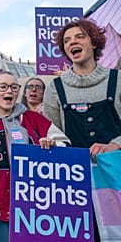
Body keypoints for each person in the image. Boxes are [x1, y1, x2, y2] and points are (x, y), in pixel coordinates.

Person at [0, 71, 70, 242]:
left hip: (40, 208)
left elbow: (65, 145)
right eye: (3, 87)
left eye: (14, 87)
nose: (9, 91)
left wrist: (52, 147)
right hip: (2, 213)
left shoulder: (35, 120)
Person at [44, 19, 121, 158]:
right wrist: (52, 143)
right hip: (75, 173)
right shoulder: (54, 88)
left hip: (116, 171)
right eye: (66, 40)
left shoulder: (118, 80)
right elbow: (53, 134)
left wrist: (115, 145)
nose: (72, 42)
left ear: (94, 43)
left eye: (80, 37)